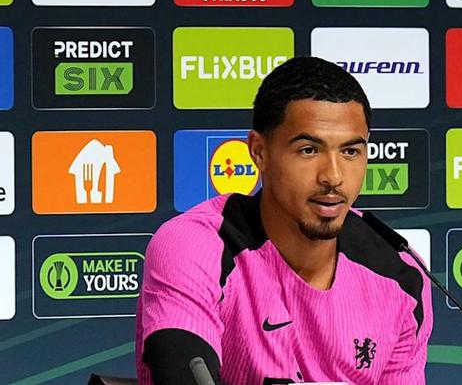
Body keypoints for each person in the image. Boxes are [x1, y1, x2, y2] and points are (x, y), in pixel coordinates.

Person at [136, 57, 433, 384]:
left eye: (350, 152)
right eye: (308, 150)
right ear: (259, 151)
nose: (333, 176)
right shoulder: (197, 246)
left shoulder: (401, 277)